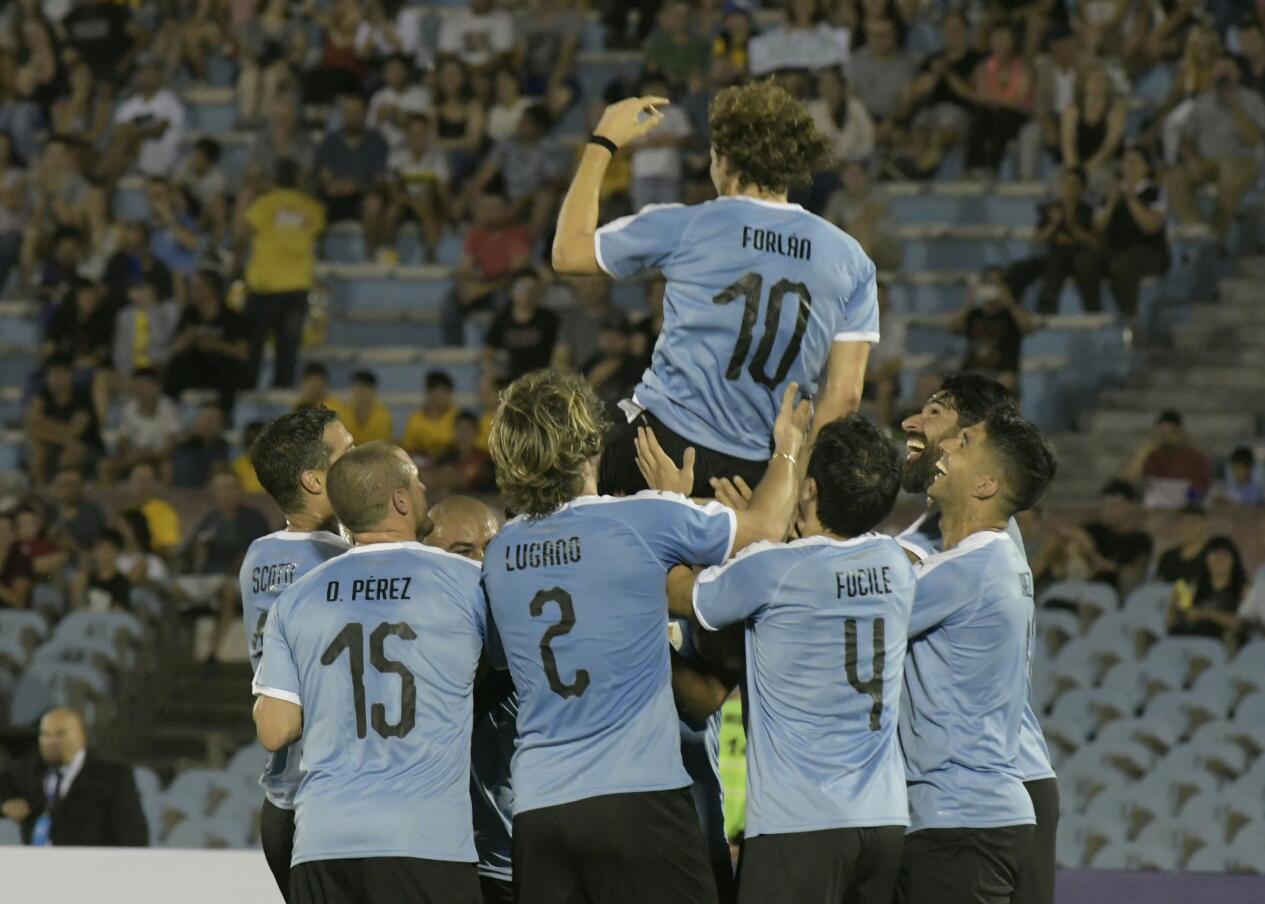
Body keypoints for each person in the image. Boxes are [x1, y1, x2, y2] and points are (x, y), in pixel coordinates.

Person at [480, 370, 810, 904]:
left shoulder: (501, 551)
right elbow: (766, 526)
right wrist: (788, 450)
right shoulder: (641, 518)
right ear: (588, 438)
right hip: (638, 798)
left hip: (540, 808)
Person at [553, 82, 876, 497]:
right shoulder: (851, 259)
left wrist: (602, 142)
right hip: (761, 470)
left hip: (660, 448)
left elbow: (567, 254)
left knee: (571, 469)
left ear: (724, 158)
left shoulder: (686, 225)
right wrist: (790, 484)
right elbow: (845, 395)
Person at [668, 415, 914, 904]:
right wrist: (764, 542)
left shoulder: (772, 569)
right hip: (884, 823)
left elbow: (677, 594)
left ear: (810, 489)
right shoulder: (896, 564)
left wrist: (678, 512)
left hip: (798, 827)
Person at [252, 441, 485, 904]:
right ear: (400, 500)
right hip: (425, 842)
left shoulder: (296, 598)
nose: (423, 490)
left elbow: (275, 730)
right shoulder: (466, 581)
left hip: (322, 843)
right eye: (417, 483)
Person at [897, 375, 1060, 904]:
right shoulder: (950, 530)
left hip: (983, 786)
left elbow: (866, 600)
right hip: (995, 785)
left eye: (939, 417)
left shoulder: (975, 546)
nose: (918, 427)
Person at [238, 406, 353, 900]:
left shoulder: (259, 557)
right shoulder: (342, 564)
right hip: (332, 806)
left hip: (282, 801)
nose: (360, 459)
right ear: (313, 479)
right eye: (347, 452)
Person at [424, 496, 511, 903]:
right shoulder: (411, 644)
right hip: (437, 859)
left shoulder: (523, 636)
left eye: (490, 551)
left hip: (514, 860)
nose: (481, 564)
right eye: (463, 553)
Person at [0, 708, 148, 846]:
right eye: (45, 734)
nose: (51, 741)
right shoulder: (29, 769)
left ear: (82, 736)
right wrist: (5, 804)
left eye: (60, 734)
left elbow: (134, 837)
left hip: (89, 868)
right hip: (38, 867)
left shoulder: (112, 777)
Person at [241, 158, 326, 389]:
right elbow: (317, 231)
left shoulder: (265, 204)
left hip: (264, 284)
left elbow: (244, 229)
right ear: (299, 179)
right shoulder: (311, 207)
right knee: (288, 346)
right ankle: (282, 390)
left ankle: (248, 387)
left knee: (254, 342)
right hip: (296, 285)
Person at [1165, 57, 1265, 246]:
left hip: (1241, 160)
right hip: (1206, 160)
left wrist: (1236, 108)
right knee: (1174, 179)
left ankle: (1218, 240)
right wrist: (1193, 159)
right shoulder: (1203, 101)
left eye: (1228, 70)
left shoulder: (1252, 99)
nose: (1223, 75)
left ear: (1238, 73)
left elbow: (1255, 139)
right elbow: (1185, 138)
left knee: (1230, 179)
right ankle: (1202, 230)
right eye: (1219, 70)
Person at [1072, 145, 1169, 320]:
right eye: (1126, 162)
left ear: (1147, 167)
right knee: (1084, 261)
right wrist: (1111, 203)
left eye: (1134, 162)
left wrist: (1130, 198)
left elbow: (1151, 225)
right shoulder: (1111, 192)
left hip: (1148, 251)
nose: (1129, 166)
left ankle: (1129, 316)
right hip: (1115, 248)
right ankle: (1093, 314)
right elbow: (1097, 228)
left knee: (1122, 266)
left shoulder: (1155, 192)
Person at [441, 192, 533, 346]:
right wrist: (466, 289)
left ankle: (498, 347)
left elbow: (516, 274)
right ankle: (454, 348)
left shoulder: (518, 234)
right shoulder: (476, 233)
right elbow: (464, 269)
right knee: (451, 301)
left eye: (496, 209)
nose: (491, 214)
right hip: (484, 285)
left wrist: (481, 289)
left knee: (503, 300)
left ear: (507, 210)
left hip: (505, 288)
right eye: (487, 209)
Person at [314, 92, 390, 259]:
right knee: (315, 204)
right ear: (342, 115)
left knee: (375, 203)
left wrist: (357, 186)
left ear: (364, 115)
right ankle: (317, 255)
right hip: (334, 197)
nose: (352, 117)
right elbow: (325, 174)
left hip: (362, 197)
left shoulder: (377, 141)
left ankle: (371, 253)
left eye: (357, 113)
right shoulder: (331, 141)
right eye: (349, 113)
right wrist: (334, 185)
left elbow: (379, 180)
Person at [164, 269, 249, 410]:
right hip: (196, 369)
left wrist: (215, 345)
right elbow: (175, 349)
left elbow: (242, 353)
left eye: (196, 287)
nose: (191, 290)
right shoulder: (189, 315)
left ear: (210, 290)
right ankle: (167, 411)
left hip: (220, 371)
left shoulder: (231, 316)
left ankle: (224, 415)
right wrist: (188, 337)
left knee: (230, 367)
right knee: (176, 365)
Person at [947, 267, 1041, 392]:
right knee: (931, 380)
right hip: (971, 371)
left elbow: (1030, 328)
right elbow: (952, 328)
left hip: (1003, 372)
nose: (992, 288)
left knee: (1004, 383)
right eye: (988, 283)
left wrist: (1010, 303)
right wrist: (969, 303)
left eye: (996, 284)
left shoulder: (1011, 315)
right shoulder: (974, 314)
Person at [25, 355, 105, 486]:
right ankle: (41, 490)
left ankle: (69, 491)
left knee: (72, 452)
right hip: (59, 445)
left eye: (61, 374)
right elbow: (30, 424)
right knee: (37, 449)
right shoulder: (43, 396)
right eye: (52, 375)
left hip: (88, 448)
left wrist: (44, 424)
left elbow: (74, 432)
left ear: (70, 375)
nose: (56, 379)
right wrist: (64, 439)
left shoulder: (82, 396)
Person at [102, 54, 185, 180]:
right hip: (130, 151)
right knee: (122, 139)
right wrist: (139, 126)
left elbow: (159, 129)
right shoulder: (130, 103)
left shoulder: (169, 100)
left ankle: (103, 174)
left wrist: (135, 125)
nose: (146, 77)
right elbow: (118, 131)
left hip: (160, 152)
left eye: (151, 74)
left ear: (159, 77)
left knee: (129, 135)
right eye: (143, 73)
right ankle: (108, 174)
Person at [966, 23, 1033, 173]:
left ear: (1012, 42)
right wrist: (998, 101)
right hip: (992, 112)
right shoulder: (984, 68)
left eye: (1004, 39)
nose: (1000, 44)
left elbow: (1019, 100)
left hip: (1015, 116)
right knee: (980, 116)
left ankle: (992, 167)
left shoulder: (1023, 68)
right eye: (996, 39)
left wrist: (996, 100)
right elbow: (981, 96)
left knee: (1003, 116)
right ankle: (973, 167)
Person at [1121, 409, 1212, 508]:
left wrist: (1188, 504)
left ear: (1180, 433)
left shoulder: (1195, 458)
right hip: (1153, 510)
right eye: (1163, 434)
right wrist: (1146, 450)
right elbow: (1128, 479)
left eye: (1171, 433)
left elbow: (1201, 489)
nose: (1167, 438)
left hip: (1183, 510)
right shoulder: (1150, 455)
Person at [484, 270, 561, 384]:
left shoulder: (549, 319)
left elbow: (559, 352)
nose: (527, 293)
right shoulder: (502, 320)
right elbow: (488, 352)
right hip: (511, 380)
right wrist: (492, 371)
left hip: (542, 379)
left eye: (532, 289)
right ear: (512, 291)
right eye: (522, 289)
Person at [1168, 536, 1246, 643]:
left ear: (1234, 560)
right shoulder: (1192, 586)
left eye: (1224, 555)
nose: (1219, 559)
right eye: (1214, 554)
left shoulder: (1243, 588)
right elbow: (1172, 623)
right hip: (1187, 638)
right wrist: (1174, 607)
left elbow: (1241, 624)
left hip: (1218, 643)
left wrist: (1207, 614)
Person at [402, 370, 459, 461]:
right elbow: (409, 450)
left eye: (447, 392)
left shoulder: (458, 417)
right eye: (439, 392)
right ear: (429, 393)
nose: (442, 397)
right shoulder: (415, 419)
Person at [69, 529, 132, 612]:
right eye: (96, 549)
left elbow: (121, 613)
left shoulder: (122, 583)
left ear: (116, 553)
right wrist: (77, 590)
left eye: (105, 549)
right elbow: (75, 609)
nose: (99, 554)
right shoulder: (85, 578)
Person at [1154, 503, 1212, 586]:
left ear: (1203, 526)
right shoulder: (1168, 557)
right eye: (1184, 523)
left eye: (1193, 522)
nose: (1188, 528)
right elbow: (1156, 587)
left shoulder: (1211, 559)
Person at [339, 370, 394, 445]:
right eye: (359, 389)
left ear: (373, 391)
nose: (362, 394)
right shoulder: (343, 413)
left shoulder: (383, 416)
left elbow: (381, 446)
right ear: (352, 389)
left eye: (365, 389)